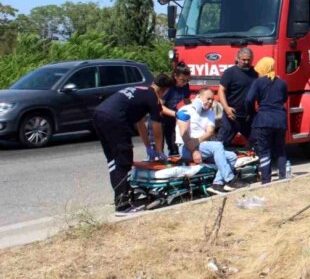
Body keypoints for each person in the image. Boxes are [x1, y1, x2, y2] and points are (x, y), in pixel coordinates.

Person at [93, 74, 174, 215]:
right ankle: (122, 206)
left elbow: (140, 123)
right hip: (115, 119)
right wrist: (160, 150)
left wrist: (148, 146)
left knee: (113, 161)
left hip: (99, 114)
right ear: (164, 90)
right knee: (124, 162)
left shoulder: (140, 90)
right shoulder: (153, 98)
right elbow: (156, 127)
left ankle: (121, 197)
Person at [176, 88, 247, 194]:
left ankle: (217, 184)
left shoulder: (210, 113)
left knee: (232, 156)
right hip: (186, 148)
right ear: (198, 97)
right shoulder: (185, 110)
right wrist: (194, 150)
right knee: (217, 145)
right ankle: (230, 179)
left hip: (202, 147)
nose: (210, 102)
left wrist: (195, 142)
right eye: (208, 99)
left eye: (212, 100)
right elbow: (184, 134)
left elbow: (210, 132)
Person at [245, 57, 288, 184]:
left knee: (264, 150)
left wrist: (251, 112)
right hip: (280, 120)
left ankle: (266, 180)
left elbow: (248, 100)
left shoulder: (258, 82)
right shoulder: (282, 83)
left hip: (263, 120)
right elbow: (284, 98)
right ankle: (283, 177)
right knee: (280, 149)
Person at [216, 48, 258, 146]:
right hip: (232, 115)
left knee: (257, 142)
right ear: (238, 58)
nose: (246, 62)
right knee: (221, 143)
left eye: (249, 60)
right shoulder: (230, 73)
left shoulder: (255, 73)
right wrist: (226, 108)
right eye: (244, 60)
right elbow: (221, 91)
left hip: (248, 116)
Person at [159, 64, 191, 156]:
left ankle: (173, 156)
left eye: (187, 80)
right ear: (175, 76)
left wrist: (193, 110)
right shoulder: (168, 87)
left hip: (172, 117)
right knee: (158, 147)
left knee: (174, 145)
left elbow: (187, 100)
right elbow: (159, 106)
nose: (184, 82)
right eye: (182, 80)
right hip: (159, 117)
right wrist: (175, 114)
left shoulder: (185, 86)